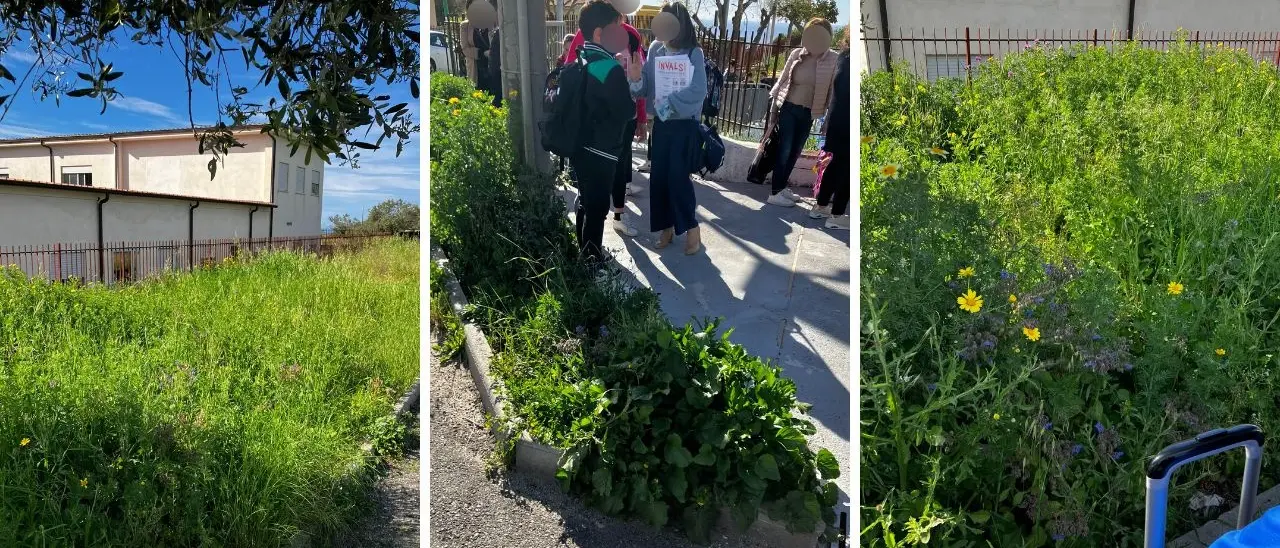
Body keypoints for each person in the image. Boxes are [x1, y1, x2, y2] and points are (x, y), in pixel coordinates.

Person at [627, 2, 706, 255]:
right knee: (659, 178)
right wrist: (637, 76)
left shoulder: (694, 53)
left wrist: (668, 104)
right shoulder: (655, 49)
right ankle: (666, 228)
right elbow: (644, 90)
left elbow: (698, 90)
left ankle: (691, 227)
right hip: (661, 125)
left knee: (678, 177)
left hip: (684, 126)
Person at [563, 3, 648, 237]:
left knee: (585, 202)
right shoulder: (607, 68)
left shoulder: (580, 59)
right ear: (600, 33)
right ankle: (592, 261)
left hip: (580, 144)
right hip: (601, 150)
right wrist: (633, 80)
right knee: (598, 208)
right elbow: (625, 110)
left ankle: (583, 256)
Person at [762, 18, 839, 208]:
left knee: (795, 152)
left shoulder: (833, 59)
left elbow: (832, 91)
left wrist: (827, 119)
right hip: (788, 107)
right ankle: (775, 192)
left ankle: (781, 188)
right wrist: (773, 109)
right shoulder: (797, 54)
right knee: (784, 149)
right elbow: (782, 81)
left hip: (809, 113)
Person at [810, 42, 850, 230]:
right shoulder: (849, 59)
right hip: (846, 120)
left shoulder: (844, 56)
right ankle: (837, 215)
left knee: (833, 164)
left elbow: (836, 91)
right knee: (846, 169)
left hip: (836, 118)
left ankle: (821, 205)